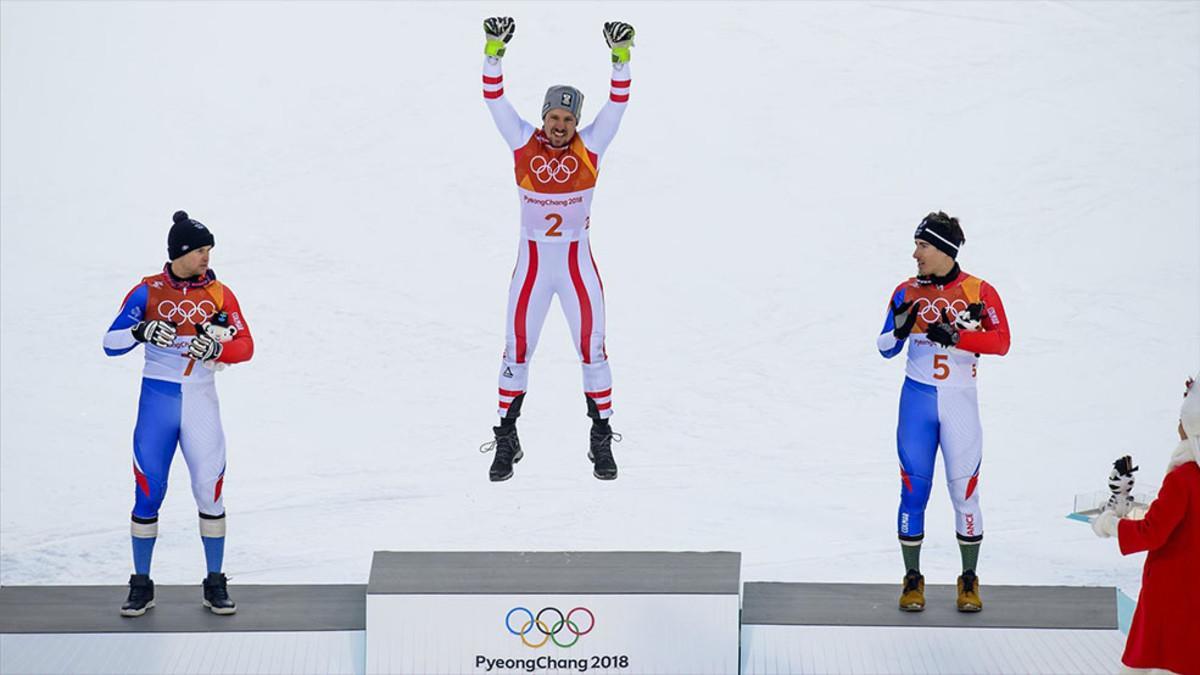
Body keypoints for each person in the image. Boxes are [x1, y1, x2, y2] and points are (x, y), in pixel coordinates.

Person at [478, 17, 634, 482]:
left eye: (568, 119)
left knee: (593, 349)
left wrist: (620, 58)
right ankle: (507, 438)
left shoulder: (592, 146)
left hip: (575, 266)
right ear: (543, 116)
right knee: (516, 349)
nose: (560, 126)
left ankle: (600, 438)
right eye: (554, 118)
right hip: (532, 266)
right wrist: (493, 50)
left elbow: (618, 104)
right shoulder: (523, 142)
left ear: (576, 122)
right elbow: (494, 99)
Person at [103, 210, 254, 616]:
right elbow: (109, 341)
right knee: (148, 490)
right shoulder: (146, 292)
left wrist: (218, 349)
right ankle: (141, 584)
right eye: (200, 250)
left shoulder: (221, 293)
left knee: (210, 489)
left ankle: (215, 582)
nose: (207, 256)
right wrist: (141, 331)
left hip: (201, 401)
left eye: (209, 249)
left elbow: (247, 345)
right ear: (179, 253)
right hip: (158, 401)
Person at [876, 211, 1011, 612]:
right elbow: (884, 348)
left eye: (922, 246)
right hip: (916, 401)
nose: (915, 253)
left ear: (944, 249)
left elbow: (1002, 341)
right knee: (913, 490)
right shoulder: (905, 291)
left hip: (959, 403)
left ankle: (968, 580)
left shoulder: (980, 291)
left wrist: (957, 336)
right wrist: (900, 330)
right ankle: (912, 579)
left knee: (964, 493)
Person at [1092, 375, 1200, 675]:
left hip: (1170, 592)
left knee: (1145, 661)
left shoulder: (1183, 479)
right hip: (1194, 593)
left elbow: (1153, 532)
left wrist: (1110, 523)